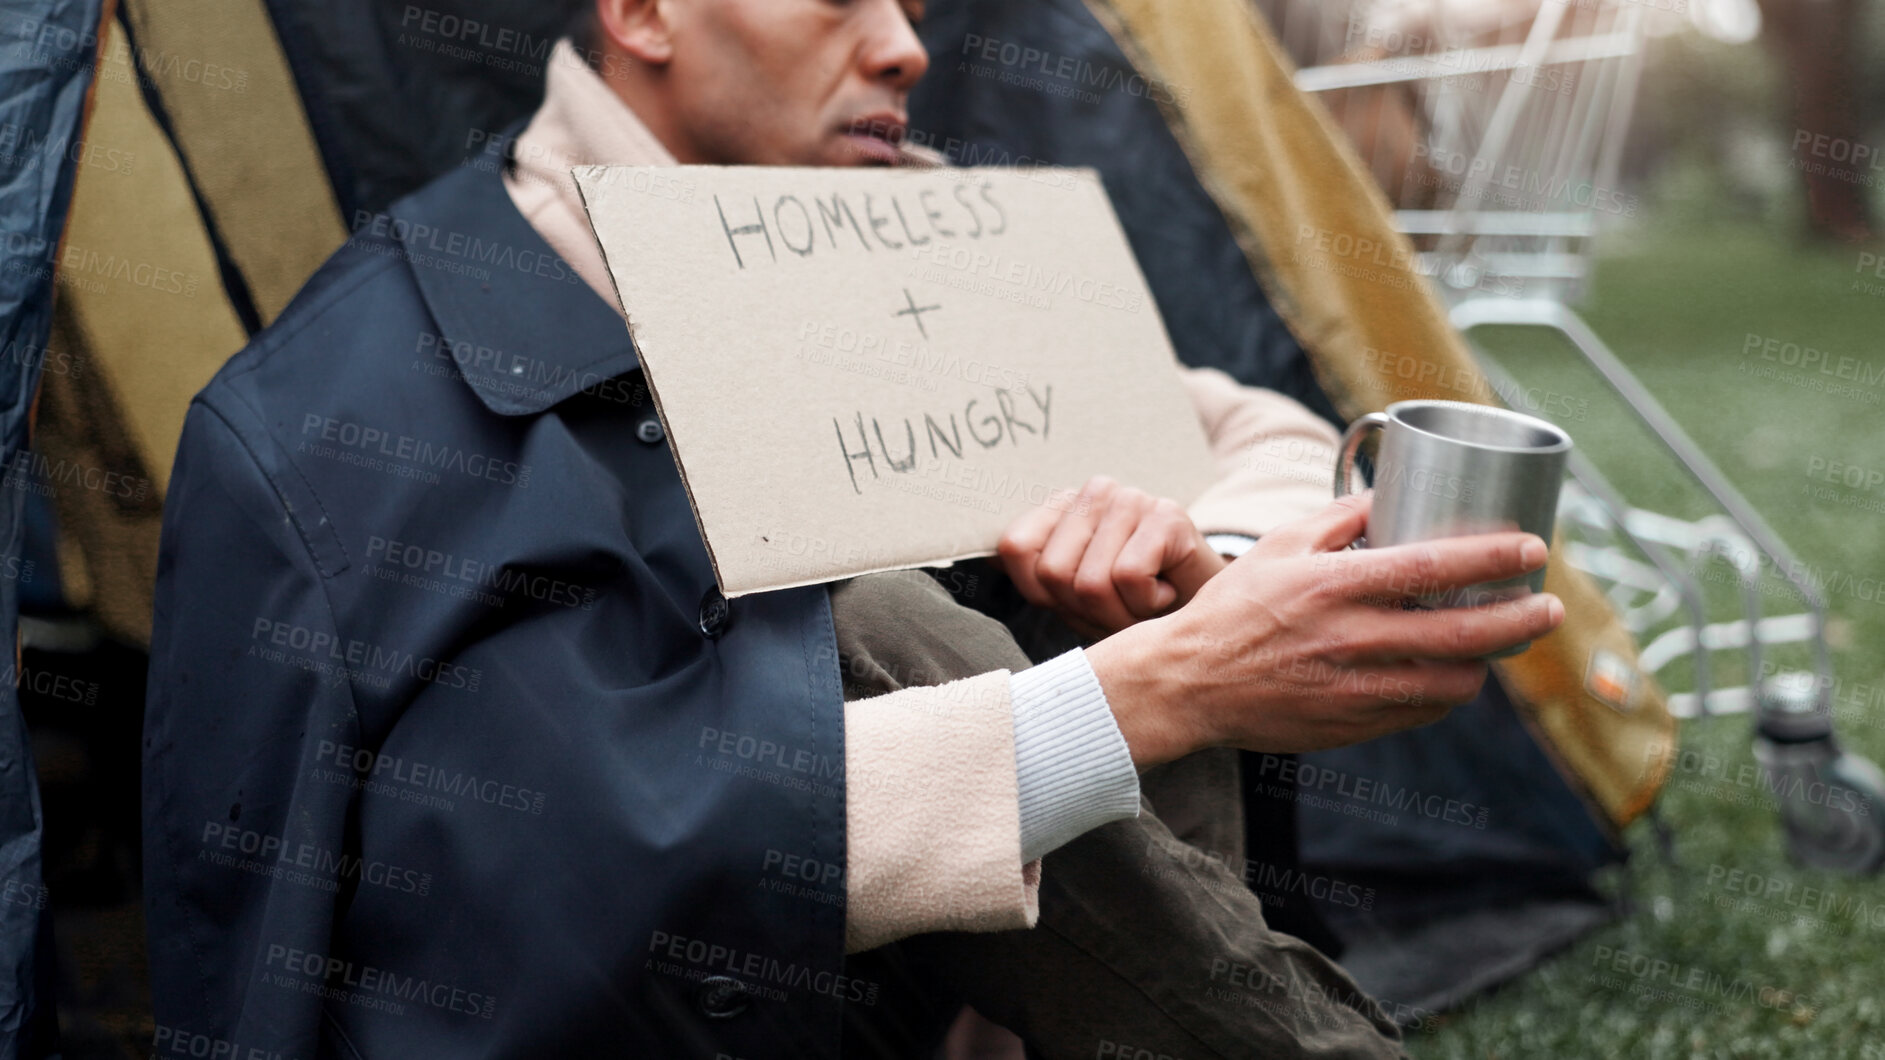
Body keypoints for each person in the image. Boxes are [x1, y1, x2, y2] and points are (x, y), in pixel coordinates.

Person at [141, 0, 1564, 1057]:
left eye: (911, 5)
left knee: (1101, 610)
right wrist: (1139, 698)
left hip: (928, 1005)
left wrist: (1205, 574)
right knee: (885, 625)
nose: (903, 46)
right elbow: (552, 865)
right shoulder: (360, 402)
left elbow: (1251, 428)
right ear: (641, 14)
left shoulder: (895, 242)